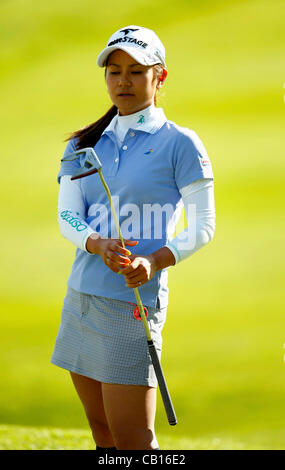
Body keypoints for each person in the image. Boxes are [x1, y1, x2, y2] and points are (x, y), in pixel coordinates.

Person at [51, 25, 216, 451]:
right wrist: (96, 243)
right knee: (102, 432)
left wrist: (155, 260)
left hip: (133, 305)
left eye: (136, 71)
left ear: (159, 77)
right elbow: (67, 215)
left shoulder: (181, 144)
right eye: (114, 70)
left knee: (134, 439)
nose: (123, 80)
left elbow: (203, 225)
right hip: (81, 297)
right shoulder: (84, 144)